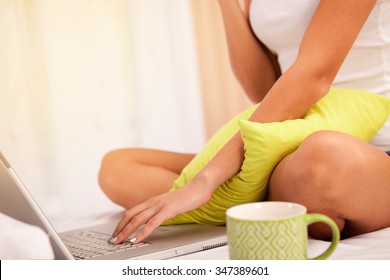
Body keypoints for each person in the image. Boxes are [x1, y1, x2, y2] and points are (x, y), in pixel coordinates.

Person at [98, 0, 390, 245]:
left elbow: (313, 78)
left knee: (324, 155)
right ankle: (266, 203)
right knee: (118, 168)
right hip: (287, 146)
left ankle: (247, 201)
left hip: (370, 150)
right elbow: (263, 89)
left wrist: (206, 180)